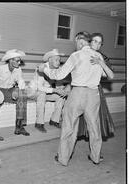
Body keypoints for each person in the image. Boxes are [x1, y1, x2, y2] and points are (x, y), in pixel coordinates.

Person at [38, 31, 114, 166]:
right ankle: (95, 157)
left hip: (77, 94)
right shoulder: (98, 57)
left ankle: (63, 158)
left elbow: (59, 75)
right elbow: (108, 75)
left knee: (69, 127)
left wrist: (45, 69)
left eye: (76, 42)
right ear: (89, 41)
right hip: (93, 95)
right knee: (94, 128)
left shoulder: (76, 55)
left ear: (79, 40)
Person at [77, 33, 115, 141]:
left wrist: (100, 62)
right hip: (80, 89)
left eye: (100, 43)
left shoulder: (103, 57)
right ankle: (67, 150)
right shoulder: (81, 54)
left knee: (95, 120)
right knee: (76, 119)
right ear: (89, 41)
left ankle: (96, 153)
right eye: (95, 41)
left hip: (95, 91)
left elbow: (111, 76)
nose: (97, 45)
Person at [31, 49, 71, 133]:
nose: (58, 62)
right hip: (34, 92)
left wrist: (64, 89)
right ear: (50, 60)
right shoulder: (41, 68)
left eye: (59, 60)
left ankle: (54, 120)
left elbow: (58, 85)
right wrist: (55, 90)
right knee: (42, 94)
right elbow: (39, 88)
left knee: (61, 96)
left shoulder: (57, 69)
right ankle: (39, 123)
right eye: (56, 60)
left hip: (47, 93)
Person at [0, 49, 30, 136]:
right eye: (17, 61)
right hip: (0, 91)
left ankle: (19, 126)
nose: (19, 63)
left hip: (11, 90)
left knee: (22, 94)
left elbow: (21, 83)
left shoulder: (18, 70)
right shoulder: (0, 69)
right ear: (11, 60)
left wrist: (17, 89)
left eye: (20, 61)